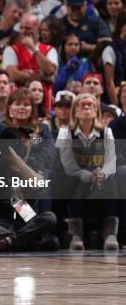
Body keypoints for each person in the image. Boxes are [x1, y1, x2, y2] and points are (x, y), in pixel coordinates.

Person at [56, 93, 119, 250]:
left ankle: (111, 234)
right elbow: (67, 165)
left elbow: (112, 161)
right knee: (71, 178)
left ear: (96, 110)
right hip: (75, 179)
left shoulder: (106, 132)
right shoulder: (65, 133)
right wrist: (88, 175)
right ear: (75, 111)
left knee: (112, 176)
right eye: (81, 105)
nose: (86, 107)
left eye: (90, 105)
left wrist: (102, 174)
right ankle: (75, 234)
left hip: (99, 178)